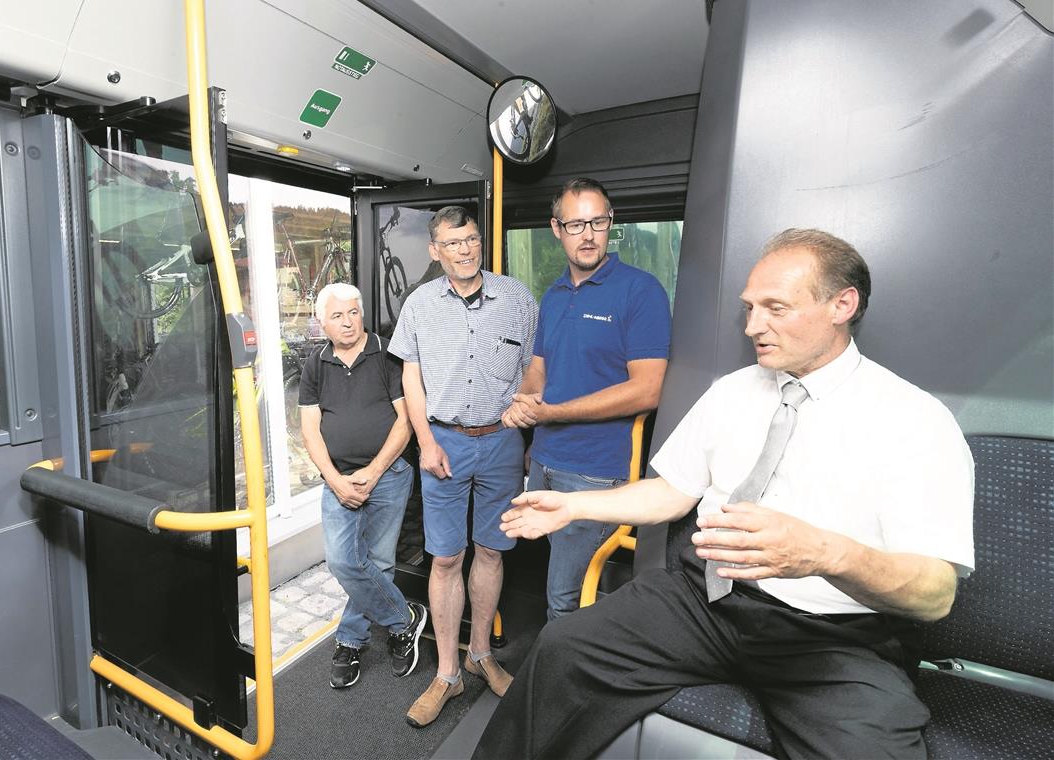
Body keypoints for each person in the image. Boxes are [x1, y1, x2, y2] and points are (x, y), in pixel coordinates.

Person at [474, 229, 974, 759]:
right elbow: (672, 492)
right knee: (562, 648)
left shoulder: (915, 421)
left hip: (834, 637)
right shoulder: (732, 392)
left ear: (841, 305)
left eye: (775, 308)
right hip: (704, 601)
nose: (753, 326)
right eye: (749, 308)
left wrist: (823, 553)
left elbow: (935, 594)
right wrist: (573, 505)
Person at [388, 206, 538, 727]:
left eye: (471, 239)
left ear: (481, 242)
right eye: (452, 243)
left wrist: (524, 429)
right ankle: (447, 673)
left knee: (492, 552)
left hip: (501, 442)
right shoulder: (420, 305)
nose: (465, 249)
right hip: (443, 443)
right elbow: (411, 380)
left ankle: (480, 655)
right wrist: (425, 443)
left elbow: (533, 369)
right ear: (435, 250)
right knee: (447, 559)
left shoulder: (518, 299)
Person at [502, 177, 670, 620]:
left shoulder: (641, 291)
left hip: (595, 475)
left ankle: (562, 686)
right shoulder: (554, 296)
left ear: (611, 223)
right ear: (556, 229)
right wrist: (523, 402)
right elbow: (539, 366)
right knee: (539, 577)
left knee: (565, 598)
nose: (588, 234)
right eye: (576, 224)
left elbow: (647, 390)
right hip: (544, 461)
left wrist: (552, 412)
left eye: (597, 221)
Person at [299, 283, 427, 689]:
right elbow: (309, 430)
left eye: (353, 312)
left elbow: (405, 421)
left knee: (380, 561)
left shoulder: (387, 355)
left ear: (362, 313)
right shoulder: (315, 365)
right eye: (337, 315)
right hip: (337, 479)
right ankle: (404, 619)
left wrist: (372, 472)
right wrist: (335, 481)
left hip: (388, 476)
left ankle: (351, 640)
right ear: (322, 323)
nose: (347, 322)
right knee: (343, 561)